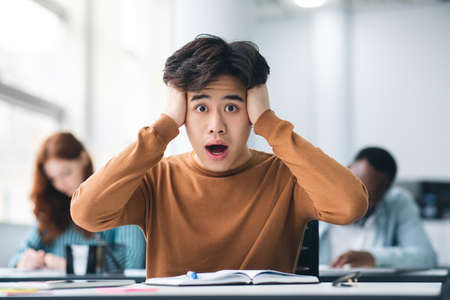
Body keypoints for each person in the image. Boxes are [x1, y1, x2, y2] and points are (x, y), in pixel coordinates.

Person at [71, 35, 368, 278]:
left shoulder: (287, 176)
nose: (216, 126)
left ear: (251, 112)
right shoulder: (157, 178)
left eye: (232, 108)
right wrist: (162, 128)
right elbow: (86, 213)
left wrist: (269, 123)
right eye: (200, 108)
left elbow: (350, 205)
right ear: (182, 114)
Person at [9, 132, 146, 271]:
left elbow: (132, 262)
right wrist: (24, 261)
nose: (60, 184)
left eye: (66, 173)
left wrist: (68, 264)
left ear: (83, 159)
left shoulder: (120, 199)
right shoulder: (52, 209)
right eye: (52, 179)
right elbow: (17, 258)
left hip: (100, 292)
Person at [319, 147, 437, 268]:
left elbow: (426, 257)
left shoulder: (398, 203)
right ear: (345, 171)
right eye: (353, 190)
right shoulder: (314, 197)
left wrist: (373, 257)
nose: (355, 204)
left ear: (386, 191)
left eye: (369, 199)